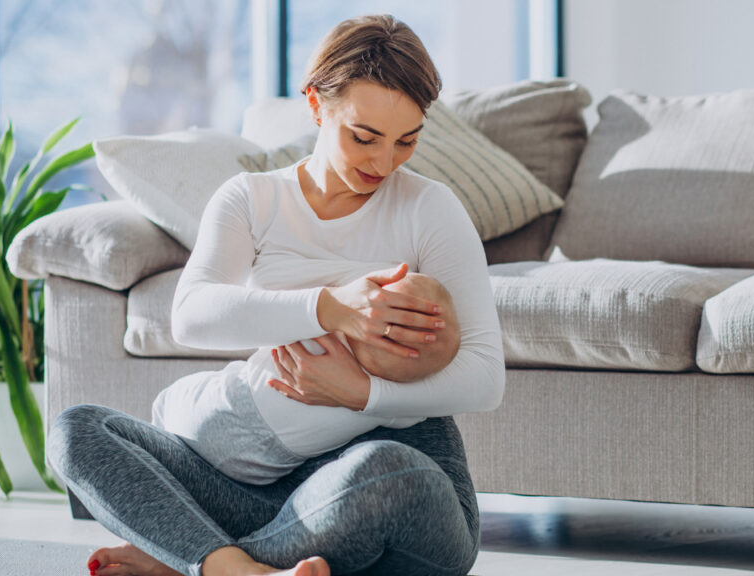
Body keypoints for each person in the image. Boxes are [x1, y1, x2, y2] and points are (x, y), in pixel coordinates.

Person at [46, 13, 504, 576]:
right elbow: (190, 314)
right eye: (364, 137)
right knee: (77, 430)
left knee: (387, 473)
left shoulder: (430, 209)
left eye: (406, 141)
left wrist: (362, 392)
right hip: (259, 489)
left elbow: (486, 377)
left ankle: (192, 559)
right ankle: (237, 568)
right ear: (316, 104)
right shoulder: (254, 199)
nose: (383, 164)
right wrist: (330, 307)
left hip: (388, 488)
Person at [151, 271, 462, 486]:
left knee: (165, 404)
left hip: (227, 405)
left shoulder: (322, 334)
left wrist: (336, 302)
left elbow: (278, 311)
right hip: (261, 469)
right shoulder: (396, 410)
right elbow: (422, 408)